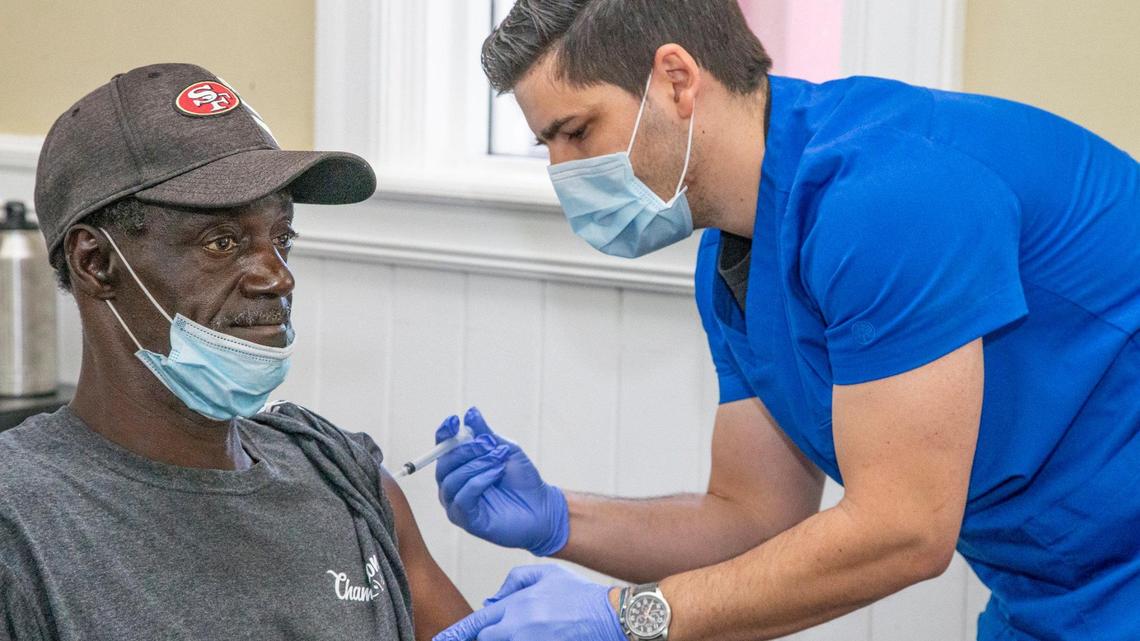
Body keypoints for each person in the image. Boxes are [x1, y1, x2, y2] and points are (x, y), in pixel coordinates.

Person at [430, 1, 1140, 640]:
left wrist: (628, 619)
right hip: (1054, 591)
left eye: (577, 132)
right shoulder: (735, 259)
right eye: (546, 147)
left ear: (677, 80)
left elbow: (905, 530)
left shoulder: (886, 197)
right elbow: (753, 516)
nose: (563, 176)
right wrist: (559, 516)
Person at [0, 63, 471, 641]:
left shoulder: (344, 480)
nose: (278, 278)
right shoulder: (22, 524)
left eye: (282, 238)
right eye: (223, 243)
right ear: (96, 262)